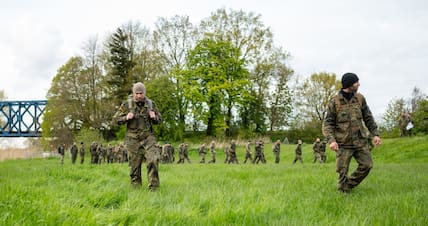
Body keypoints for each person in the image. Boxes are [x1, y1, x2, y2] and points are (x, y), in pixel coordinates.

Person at [323, 72, 381, 193]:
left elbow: (368, 117)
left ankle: (347, 186)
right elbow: (328, 123)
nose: (359, 84)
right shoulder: (334, 101)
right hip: (343, 143)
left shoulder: (360, 98)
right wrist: (331, 141)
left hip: (360, 141)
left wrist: (375, 134)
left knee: (367, 165)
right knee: (342, 171)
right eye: (356, 82)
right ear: (349, 84)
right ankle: (343, 192)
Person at [113, 82, 162, 190]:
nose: (139, 95)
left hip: (148, 137)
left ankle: (154, 188)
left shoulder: (151, 104)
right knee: (134, 166)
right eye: (137, 93)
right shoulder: (127, 105)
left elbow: (160, 120)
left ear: (144, 93)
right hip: (132, 139)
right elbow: (115, 120)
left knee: (153, 160)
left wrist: (154, 117)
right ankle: (136, 189)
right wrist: (126, 117)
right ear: (133, 93)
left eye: (141, 93)